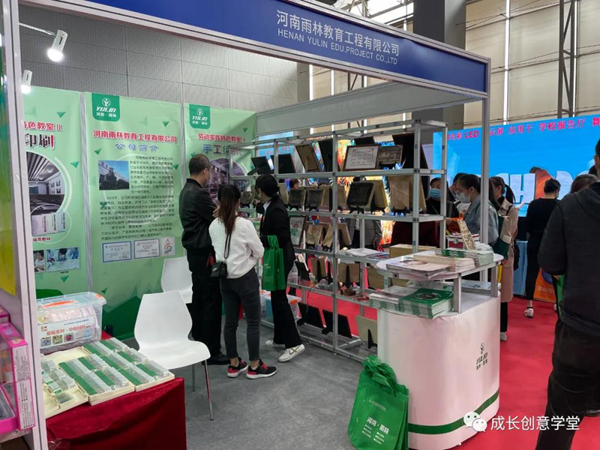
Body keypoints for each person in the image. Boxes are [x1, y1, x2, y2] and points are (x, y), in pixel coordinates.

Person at [534, 155, 600, 450]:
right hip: (581, 326)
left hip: (581, 330)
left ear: (597, 161)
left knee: (560, 421)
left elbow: (550, 262)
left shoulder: (572, 206)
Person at [209, 185, 277, 379]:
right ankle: (254, 366)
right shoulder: (244, 225)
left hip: (225, 279)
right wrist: (248, 261)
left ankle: (234, 364)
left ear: (219, 201)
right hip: (245, 279)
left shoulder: (213, 225)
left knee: (230, 323)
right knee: (253, 322)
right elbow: (259, 251)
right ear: (238, 201)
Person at [179, 154, 228, 365]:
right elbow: (219, 218)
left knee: (199, 299)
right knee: (211, 302)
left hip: (195, 255)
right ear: (205, 171)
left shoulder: (185, 191)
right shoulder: (198, 194)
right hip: (205, 255)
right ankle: (211, 350)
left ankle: (200, 343)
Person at [256, 174, 305, 363]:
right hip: (277, 255)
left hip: (280, 257)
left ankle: (294, 343)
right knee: (276, 296)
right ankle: (280, 338)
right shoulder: (271, 205)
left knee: (279, 298)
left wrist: (260, 239)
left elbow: (283, 237)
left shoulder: (276, 209)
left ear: (262, 190)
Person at [523, 178, 561, 319]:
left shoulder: (534, 204)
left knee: (531, 272)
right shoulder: (560, 205)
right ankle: (557, 303)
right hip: (553, 244)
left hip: (535, 242)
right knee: (556, 273)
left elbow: (527, 225)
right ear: (557, 191)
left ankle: (529, 306)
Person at [490, 177, 519, 342]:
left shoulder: (510, 209)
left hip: (503, 255)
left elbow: (510, 232)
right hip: (486, 254)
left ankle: (501, 328)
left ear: (499, 188)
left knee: (503, 293)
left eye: (490, 187)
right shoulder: (486, 206)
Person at [452, 174, 499, 245]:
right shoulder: (474, 205)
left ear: (471, 189)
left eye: (460, 190)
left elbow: (490, 235)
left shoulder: (483, 208)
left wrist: (469, 240)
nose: (458, 193)